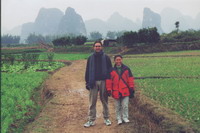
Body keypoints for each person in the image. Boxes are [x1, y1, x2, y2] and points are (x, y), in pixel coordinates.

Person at [84, 41, 112, 127]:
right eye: (96, 46)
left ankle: (106, 118)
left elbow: (110, 70)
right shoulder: (90, 58)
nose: (97, 48)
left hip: (103, 81)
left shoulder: (106, 57)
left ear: (102, 47)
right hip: (93, 81)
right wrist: (87, 82)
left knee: (104, 100)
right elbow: (87, 70)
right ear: (93, 47)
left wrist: (109, 83)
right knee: (92, 101)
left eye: (99, 46)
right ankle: (91, 120)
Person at [106, 55, 135, 125]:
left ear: (122, 60)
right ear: (114, 61)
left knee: (125, 106)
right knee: (117, 106)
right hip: (116, 91)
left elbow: (130, 79)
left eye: (119, 59)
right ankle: (119, 118)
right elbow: (109, 80)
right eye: (117, 60)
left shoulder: (127, 69)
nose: (118, 61)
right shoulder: (111, 70)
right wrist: (109, 89)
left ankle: (125, 117)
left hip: (125, 91)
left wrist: (131, 87)